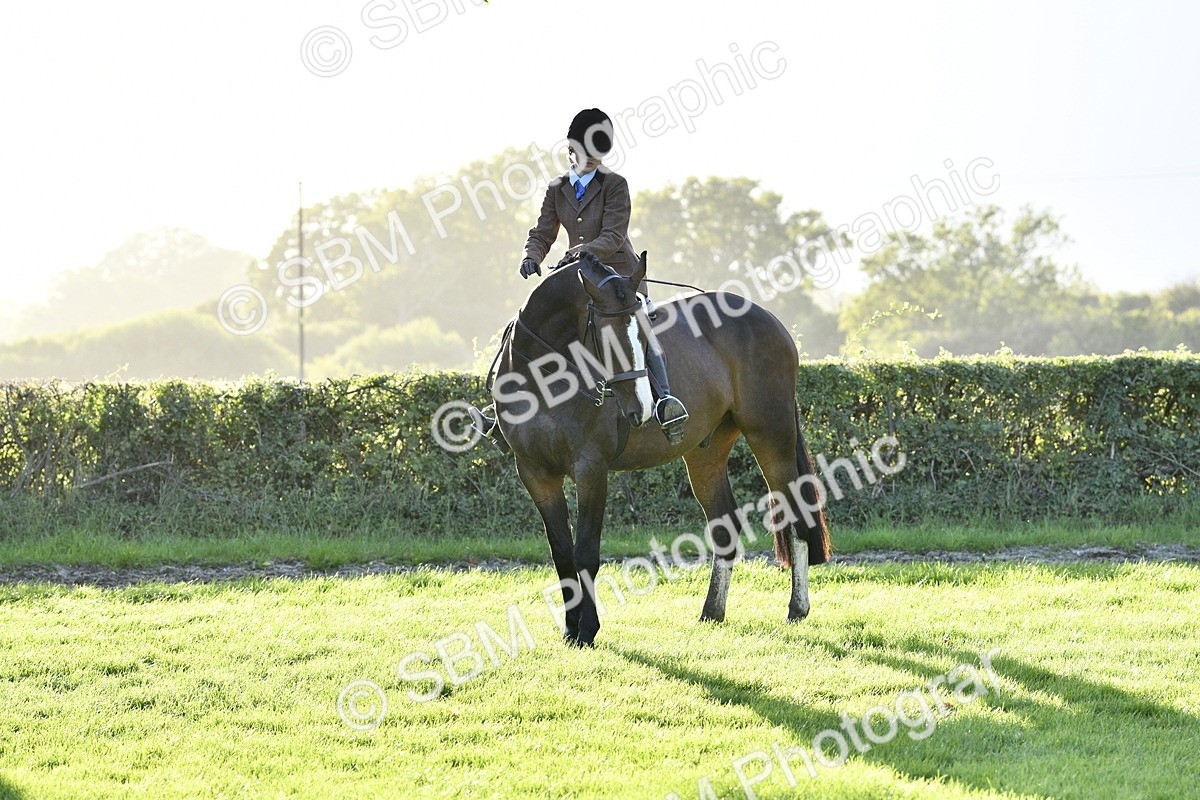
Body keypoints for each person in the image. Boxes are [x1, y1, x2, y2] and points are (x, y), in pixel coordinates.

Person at [474, 108, 688, 446]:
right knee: (528, 324)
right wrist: (532, 255)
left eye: (598, 155)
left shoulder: (615, 185)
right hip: (577, 279)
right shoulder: (557, 188)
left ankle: (664, 401)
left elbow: (614, 235)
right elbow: (542, 231)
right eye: (586, 153)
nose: (592, 160)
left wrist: (580, 253)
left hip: (617, 276)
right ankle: (501, 414)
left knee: (638, 326)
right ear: (571, 148)